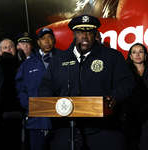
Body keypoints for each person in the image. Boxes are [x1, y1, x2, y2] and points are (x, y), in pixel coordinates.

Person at [38, 14, 136, 150]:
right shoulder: (60, 59)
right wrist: (48, 100)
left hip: (104, 131)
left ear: (95, 34)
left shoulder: (112, 57)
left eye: (89, 31)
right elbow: (46, 84)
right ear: (74, 35)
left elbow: (127, 83)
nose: (84, 36)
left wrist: (115, 96)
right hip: (64, 130)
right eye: (80, 32)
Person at [15, 28, 61, 150]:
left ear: (55, 40)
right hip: (36, 120)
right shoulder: (28, 64)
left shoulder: (63, 60)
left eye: (50, 38)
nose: (47, 41)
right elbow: (20, 87)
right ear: (38, 42)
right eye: (43, 38)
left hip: (60, 120)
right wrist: (27, 104)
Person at [121, 43, 148, 150]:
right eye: (134, 52)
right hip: (131, 118)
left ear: (145, 56)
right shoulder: (125, 74)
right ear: (130, 56)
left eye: (140, 52)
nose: (137, 54)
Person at [0, 38, 22, 150]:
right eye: (5, 47)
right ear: (0, 52)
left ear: (15, 49)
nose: (8, 49)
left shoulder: (23, 66)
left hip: (18, 111)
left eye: (10, 47)